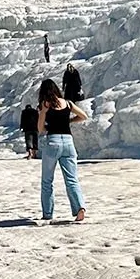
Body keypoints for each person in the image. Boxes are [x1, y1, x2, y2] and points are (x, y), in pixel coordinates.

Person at [37, 79, 87, 222]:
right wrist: (69, 121)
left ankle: (48, 213)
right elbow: (84, 116)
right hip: (68, 142)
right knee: (72, 179)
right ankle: (80, 208)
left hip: (53, 142)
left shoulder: (45, 104)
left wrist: (43, 113)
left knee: (47, 180)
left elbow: (40, 129)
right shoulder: (68, 103)